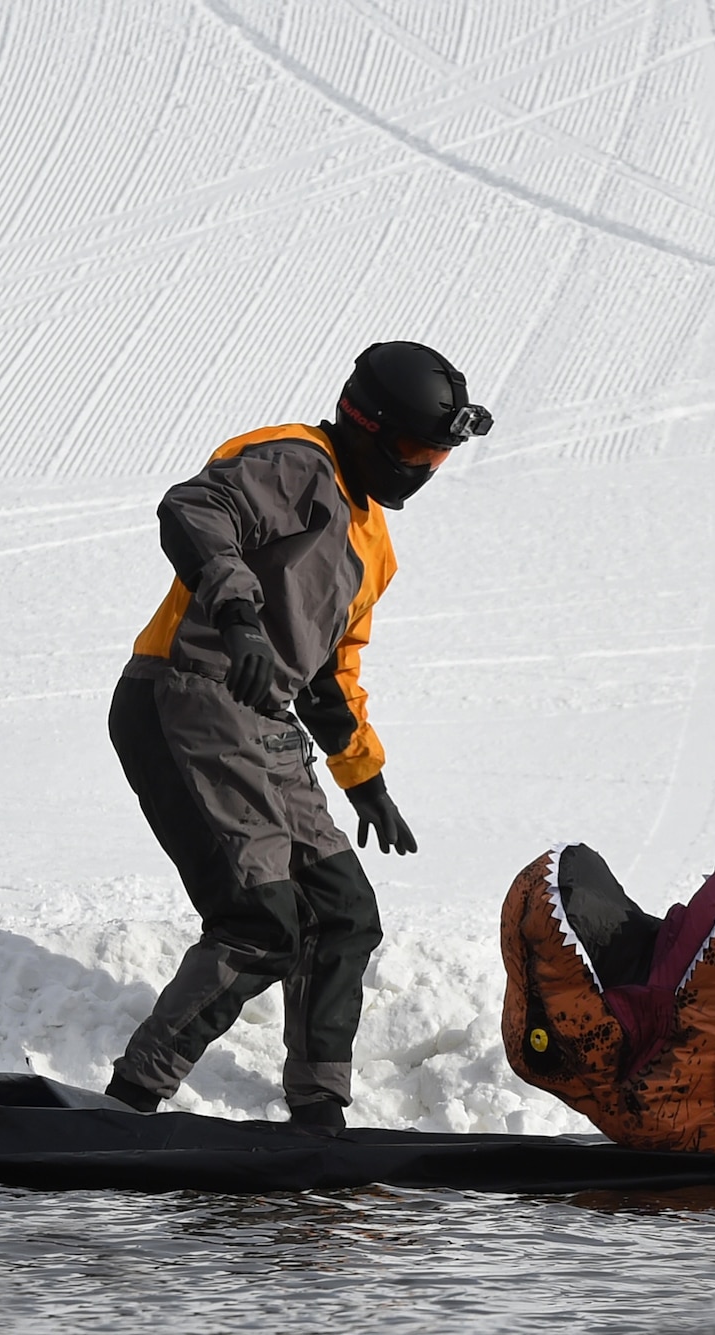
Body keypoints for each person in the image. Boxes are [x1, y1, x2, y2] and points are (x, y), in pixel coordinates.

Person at [103, 342, 492, 1127]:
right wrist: (239, 617)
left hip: (264, 718)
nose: (422, 468)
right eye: (416, 448)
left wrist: (366, 778)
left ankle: (318, 1111)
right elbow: (195, 509)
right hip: (189, 692)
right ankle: (127, 1102)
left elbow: (331, 675)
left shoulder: (372, 544)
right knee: (260, 921)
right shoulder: (297, 460)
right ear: (366, 424)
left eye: (437, 456)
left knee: (343, 912)